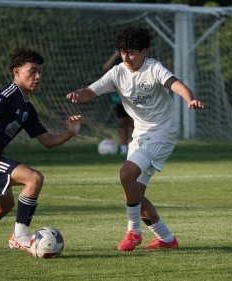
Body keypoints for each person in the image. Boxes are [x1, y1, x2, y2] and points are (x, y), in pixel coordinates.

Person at [66, 26, 204, 251]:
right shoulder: (117, 72)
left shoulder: (154, 69)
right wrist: (78, 95)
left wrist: (190, 99)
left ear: (144, 51)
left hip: (161, 135)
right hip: (139, 138)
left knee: (126, 174)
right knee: (133, 194)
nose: (126, 57)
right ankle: (166, 239)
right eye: (122, 52)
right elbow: (90, 91)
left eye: (131, 52)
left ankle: (133, 232)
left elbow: (176, 84)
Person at [0, 48, 83, 254]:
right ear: (17, 71)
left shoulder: (27, 108)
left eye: (40, 71)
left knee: (4, 205)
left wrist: (71, 133)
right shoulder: (9, 93)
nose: (38, 76)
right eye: (32, 71)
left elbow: (47, 141)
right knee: (34, 178)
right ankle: (20, 236)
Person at [103, 50, 134, 155]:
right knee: (122, 124)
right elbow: (105, 68)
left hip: (133, 99)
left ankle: (135, 148)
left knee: (133, 124)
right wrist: (115, 54)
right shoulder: (116, 62)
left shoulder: (132, 61)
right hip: (120, 99)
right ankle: (124, 149)